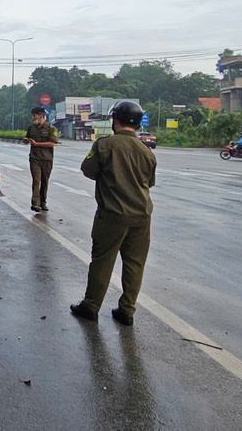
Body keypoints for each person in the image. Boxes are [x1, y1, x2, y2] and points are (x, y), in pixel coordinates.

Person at [71, 101, 156, 326]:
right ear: (137, 123)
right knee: (135, 264)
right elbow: (150, 182)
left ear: (115, 121)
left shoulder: (104, 145)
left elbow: (88, 170)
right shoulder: (147, 152)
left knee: (102, 261)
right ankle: (126, 310)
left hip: (112, 215)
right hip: (141, 217)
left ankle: (91, 306)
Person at [23, 106, 58, 212]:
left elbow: (52, 143)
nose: (33, 118)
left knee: (44, 181)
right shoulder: (31, 128)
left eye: (35, 116)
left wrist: (37, 144)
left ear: (41, 116)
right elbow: (28, 138)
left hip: (47, 159)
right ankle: (35, 203)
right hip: (35, 158)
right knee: (36, 180)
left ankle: (43, 202)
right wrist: (26, 141)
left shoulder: (51, 128)